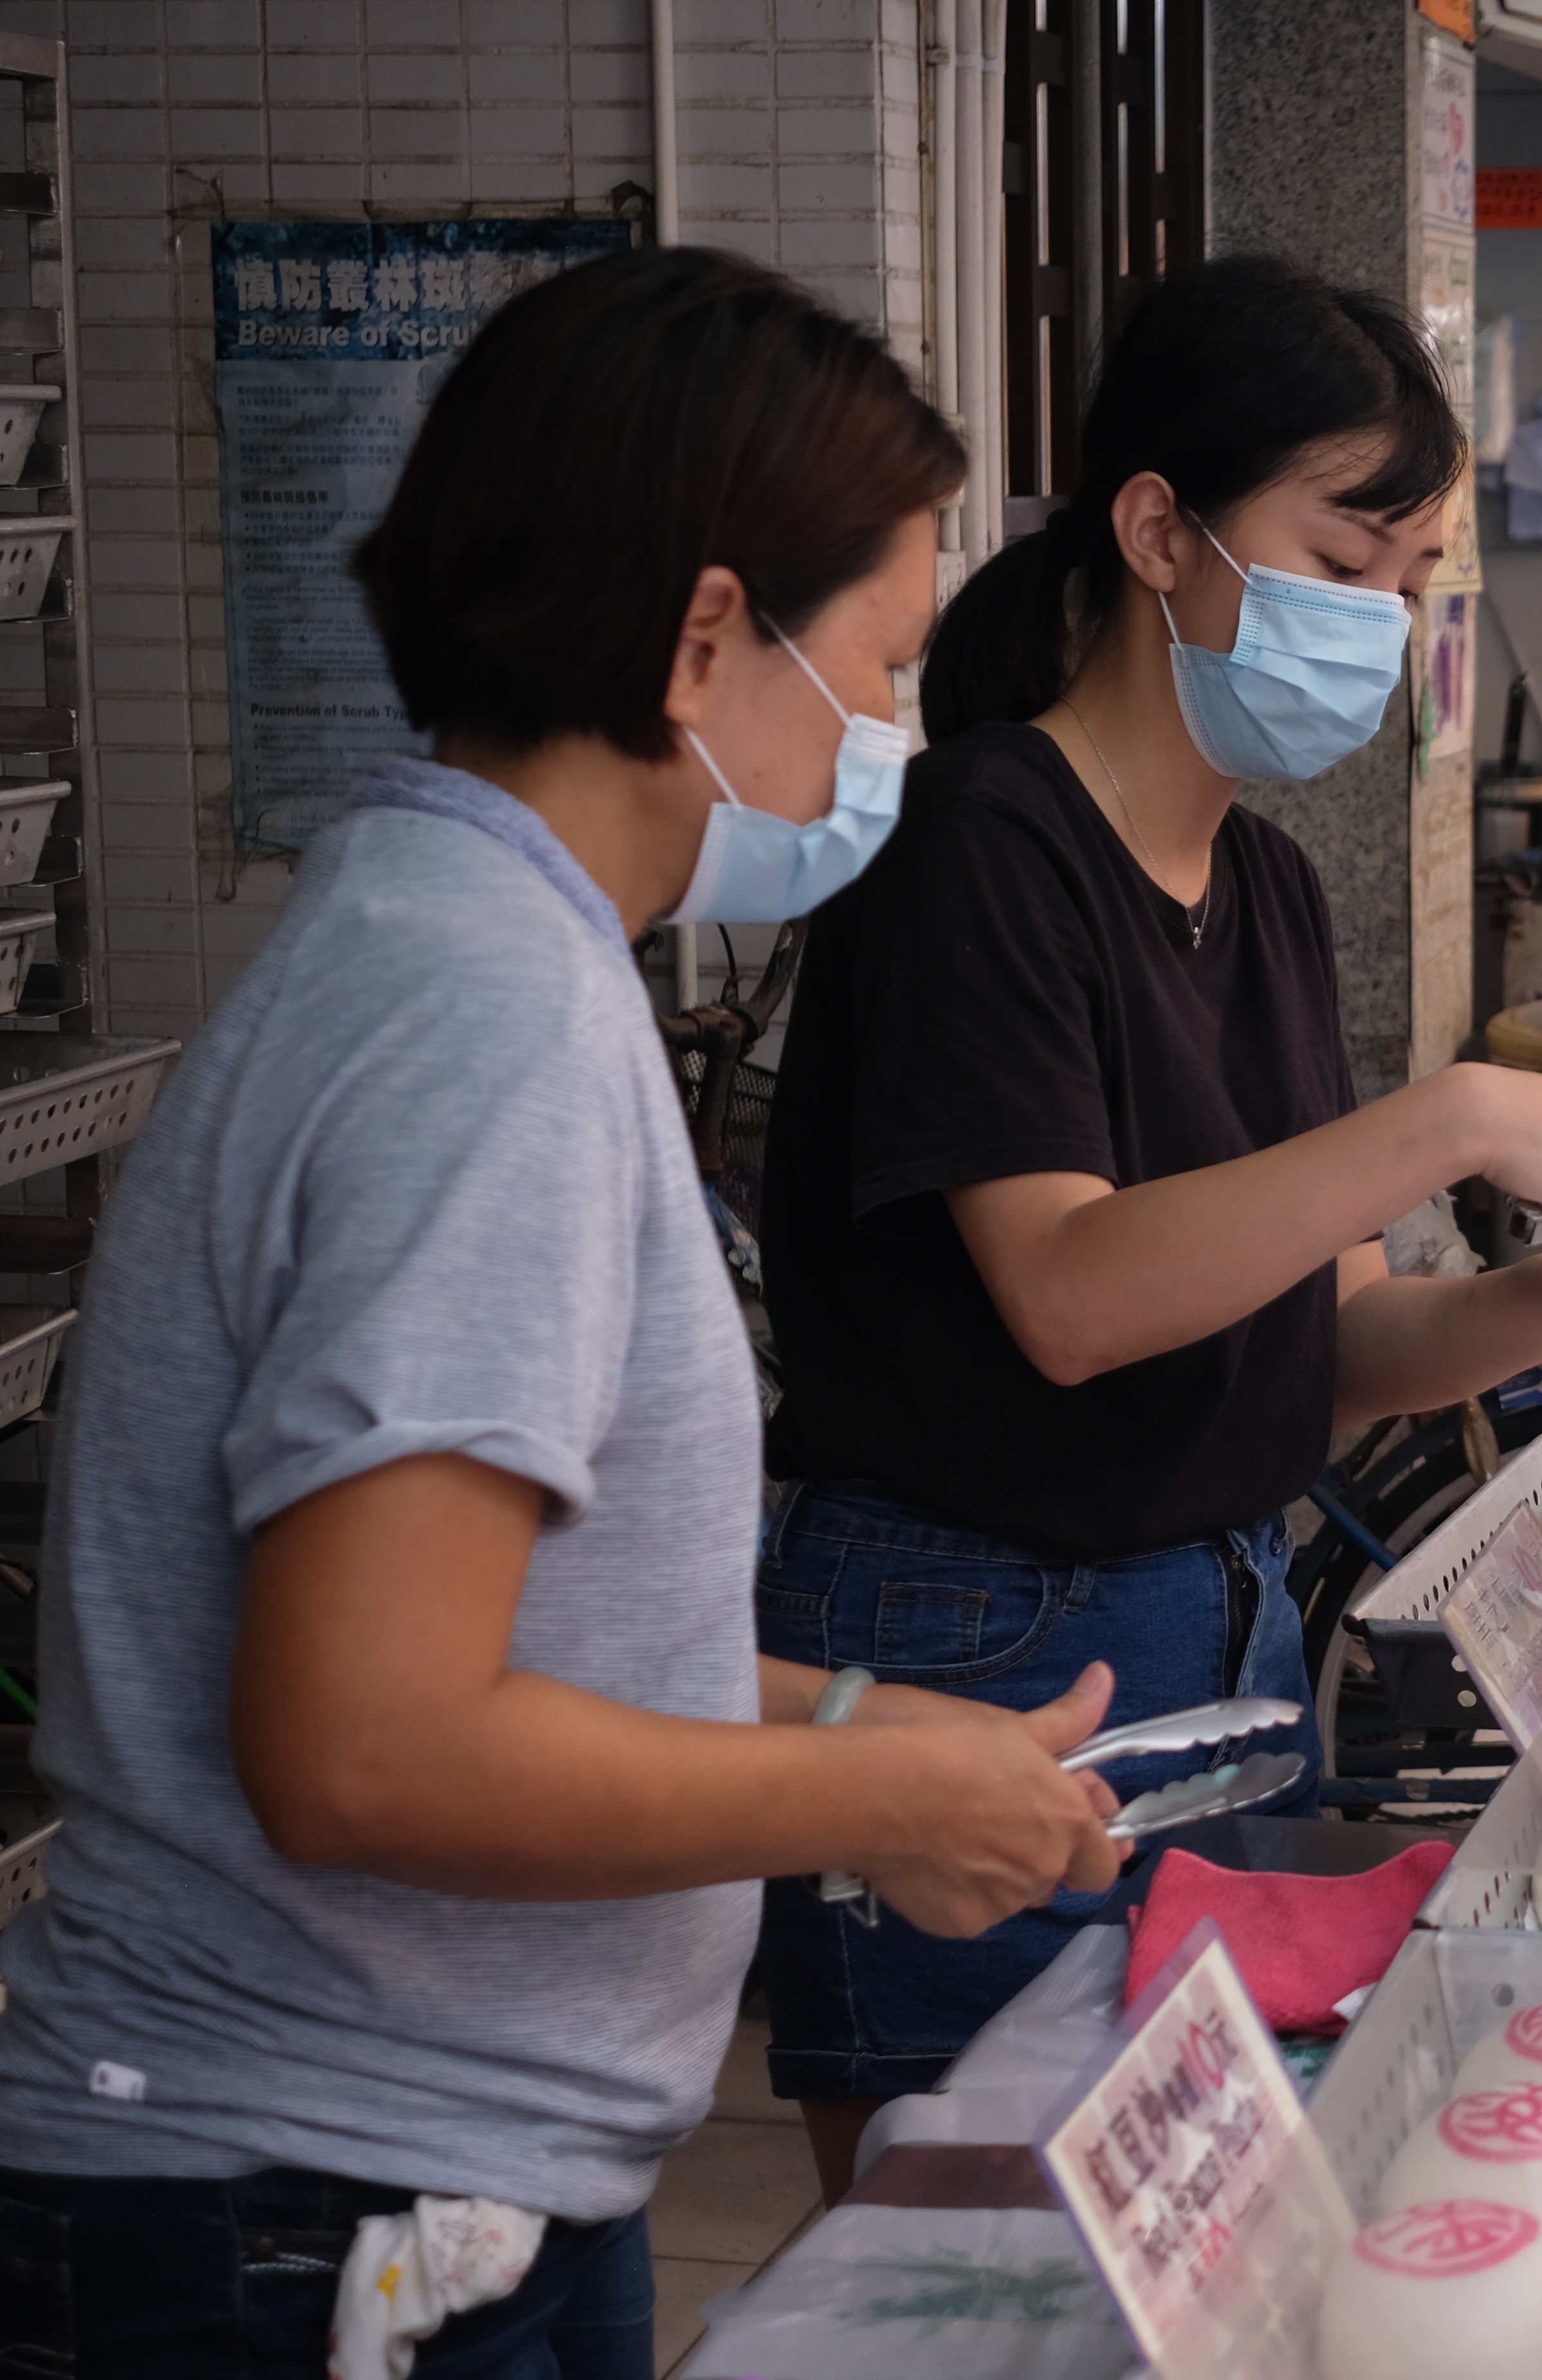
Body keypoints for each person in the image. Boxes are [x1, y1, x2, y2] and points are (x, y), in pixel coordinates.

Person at [0, 250, 1126, 2378]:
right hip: (305, 2207)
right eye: (878, 674)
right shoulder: (483, 1020)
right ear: (709, 635)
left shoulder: (460, 944)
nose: (889, 744)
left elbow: (517, 1636)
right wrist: (874, 1811)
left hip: (393, 2187)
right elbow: (370, 1740)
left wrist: (848, 1722)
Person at [754, 253, 1542, 2197]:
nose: (1385, 625)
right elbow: (1076, 1297)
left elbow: (1329, 1345)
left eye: (1414, 579)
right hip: (974, 1651)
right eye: (1348, 559)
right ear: (1157, 530)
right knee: (973, 2266)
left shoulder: (1260, 890)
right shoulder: (982, 845)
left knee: (1188, 2240)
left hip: (1219, 1630)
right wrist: (1455, 1120)